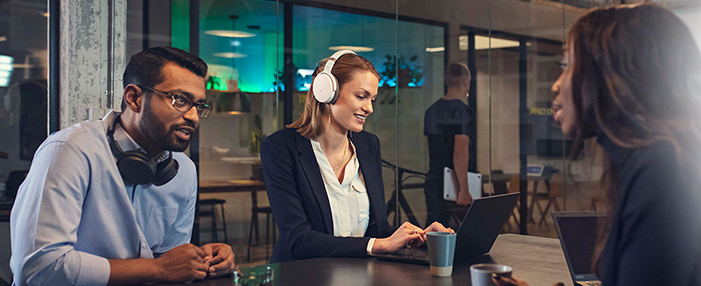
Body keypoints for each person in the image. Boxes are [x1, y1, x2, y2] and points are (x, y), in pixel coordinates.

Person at [496, 4, 701, 286]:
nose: (555, 84)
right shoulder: (665, 156)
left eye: (567, 64)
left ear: (616, 74)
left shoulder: (668, 166)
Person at [10, 46, 236, 286]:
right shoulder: (69, 150)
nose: (192, 116)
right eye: (180, 100)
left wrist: (204, 262)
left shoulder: (184, 171)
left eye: (199, 106)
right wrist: (157, 268)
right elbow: (37, 270)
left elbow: (171, 266)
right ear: (134, 98)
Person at [261, 51, 452, 263]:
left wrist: (415, 237)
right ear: (326, 92)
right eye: (361, 96)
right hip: (302, 275)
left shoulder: (368, 145)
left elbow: (377, 229)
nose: (369, 108)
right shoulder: (280, 148)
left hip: (358, 275)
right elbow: (298, 240)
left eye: (373, 99)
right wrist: (379, 245)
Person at [423, 62, 475, 228]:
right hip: (456, 184)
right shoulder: (463, 111)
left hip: (434, 180)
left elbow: (430, 149)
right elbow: (460, 151)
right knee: (468, 233)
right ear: (466, 81)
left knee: (434, 232)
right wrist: (464, 189)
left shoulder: (431, 111)